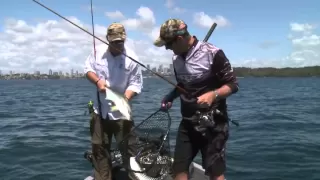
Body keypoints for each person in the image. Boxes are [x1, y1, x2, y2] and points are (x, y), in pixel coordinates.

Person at [153, 19, 239, 180]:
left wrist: (213, 95)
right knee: (178, 169)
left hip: (214, 124)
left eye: (168, 45)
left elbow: (233, 84)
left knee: (215, 172)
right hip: (187, 123)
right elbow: (183, 83)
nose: (168, 49)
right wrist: (171, 96)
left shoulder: (213, 53)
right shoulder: (176, 59)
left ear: (179, 39)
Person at [84, 22, 143, 180]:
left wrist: (125, 98)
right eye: (114, 42)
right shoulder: (97, 52)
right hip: (99, 111)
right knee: (99, 150)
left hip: (122, 111)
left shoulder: (132, 59)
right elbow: (88, 70)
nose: (118, 45)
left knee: (130, 151)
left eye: (120, 42)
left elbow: (136, 84)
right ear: (107, 40)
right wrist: (97, 81)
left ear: (125, 39)